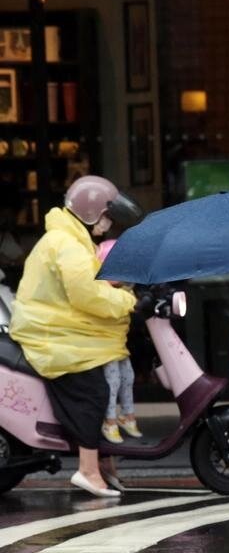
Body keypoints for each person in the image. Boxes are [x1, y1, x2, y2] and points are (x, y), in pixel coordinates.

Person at [9, 175, 141, 498]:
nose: (109, 224)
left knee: (109, 376)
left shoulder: (72, 239)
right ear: (92, 213)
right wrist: (129, 302)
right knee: (93, 390)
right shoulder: (67, 244)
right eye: (107, 216)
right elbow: (87, 295)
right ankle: (88, 470)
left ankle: (106, 466)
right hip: (51, 337)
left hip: (59, 329)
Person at [95, 239, 141, 445]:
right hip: (105, 347)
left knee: (128, 377)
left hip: (119, 345)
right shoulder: (99, 291)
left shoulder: (125, 289)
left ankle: (127, 414)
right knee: (112, 381)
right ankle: (110, 419)